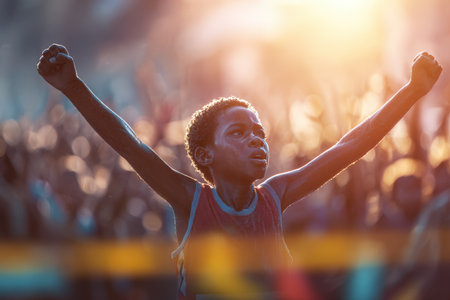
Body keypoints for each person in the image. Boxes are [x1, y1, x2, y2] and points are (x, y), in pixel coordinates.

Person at [37, 44, 442, 299]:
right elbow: (128, 143)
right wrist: (73, 87)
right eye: (239, 132)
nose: (257, 140)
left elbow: (348, 147)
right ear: (205, 155)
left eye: (259, 133)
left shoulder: (275, 195)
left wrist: (412, 91)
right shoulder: (189, 199)